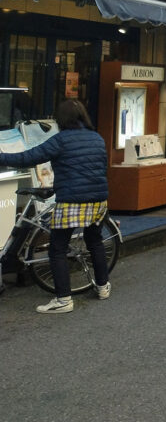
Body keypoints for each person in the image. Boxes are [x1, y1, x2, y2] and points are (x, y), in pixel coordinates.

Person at [0, 99, 111, 313]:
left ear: (61, 119)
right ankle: (103, 286)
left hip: (72, 201)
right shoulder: (97, 138)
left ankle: (63, 299)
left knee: (57, 248)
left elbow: (29, 157)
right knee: (94, 241)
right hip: (98, 199)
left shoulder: (61, 140)